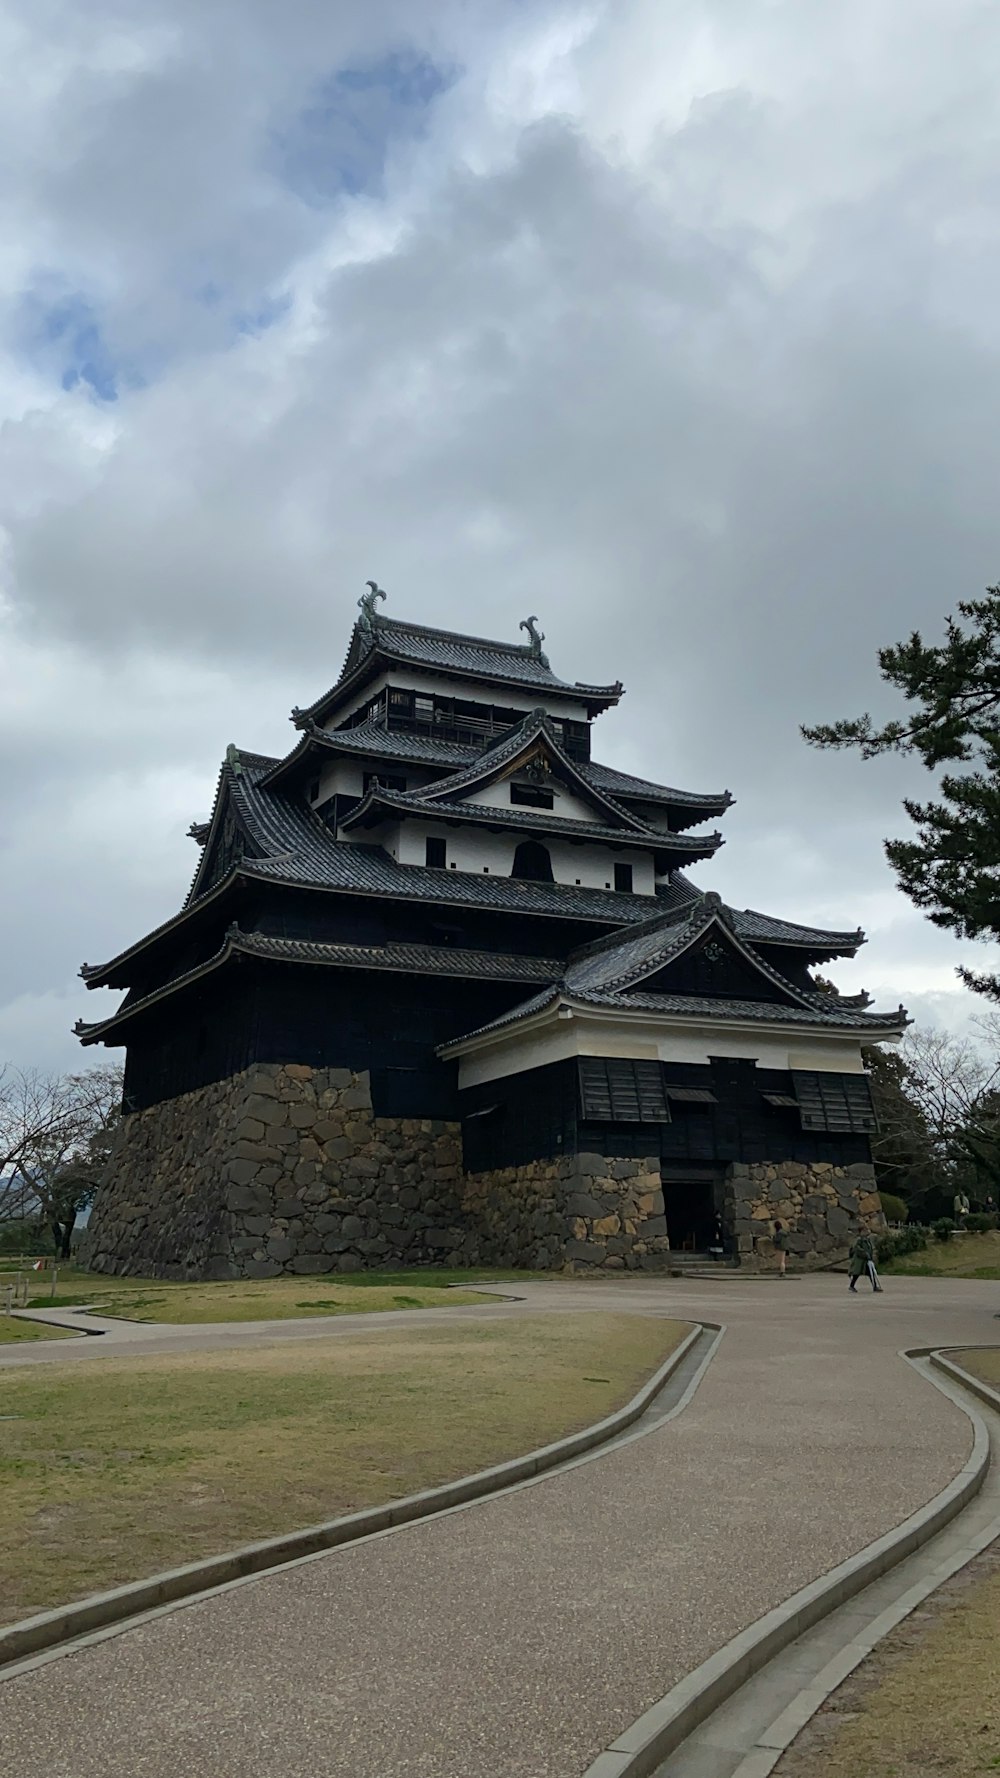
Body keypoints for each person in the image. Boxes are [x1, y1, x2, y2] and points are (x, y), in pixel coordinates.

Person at [848, 1228, 881, 1293]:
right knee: (856, 1273)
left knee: (871, 1273)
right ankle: (851, 1286)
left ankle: (874, 1286)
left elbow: (870, 1249)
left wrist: (870, 1256)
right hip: (859, 1260)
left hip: (866, 1261)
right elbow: (857, 1249)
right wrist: (865, 1253)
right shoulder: (859, 1240)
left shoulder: (867, 1240)